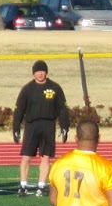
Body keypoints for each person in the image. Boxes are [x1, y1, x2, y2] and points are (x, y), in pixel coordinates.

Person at [11, 59, 69, 197]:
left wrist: (65, 126)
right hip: (32, 125)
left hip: (48, 125)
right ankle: (23, 185)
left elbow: (62, 109)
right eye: (38, 71)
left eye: (42, 71)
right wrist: (16, 127)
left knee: (46, 157)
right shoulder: (27, 89)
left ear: (46, 72)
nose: (40, 74)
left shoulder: (55, 88)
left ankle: (41, 186)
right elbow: (19, 110)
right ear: (33, 73)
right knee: (26, 156)